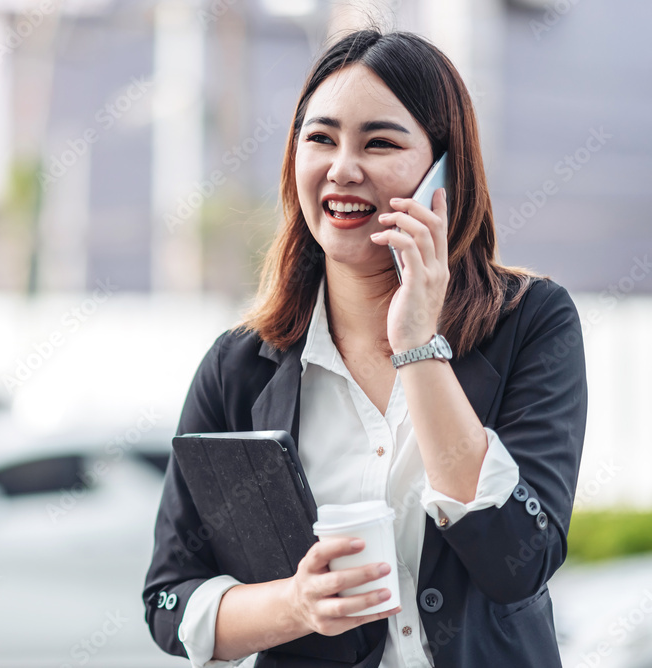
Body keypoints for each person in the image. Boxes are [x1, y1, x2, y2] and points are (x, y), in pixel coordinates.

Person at [143, 28, 587, 668]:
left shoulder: (531, 323)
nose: (342, 169)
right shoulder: (239, 366)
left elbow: (518, 559)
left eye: (379, 142)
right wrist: (297, 606)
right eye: (320, 139)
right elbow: (167, 601)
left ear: (445, 169)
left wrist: (418, 345)